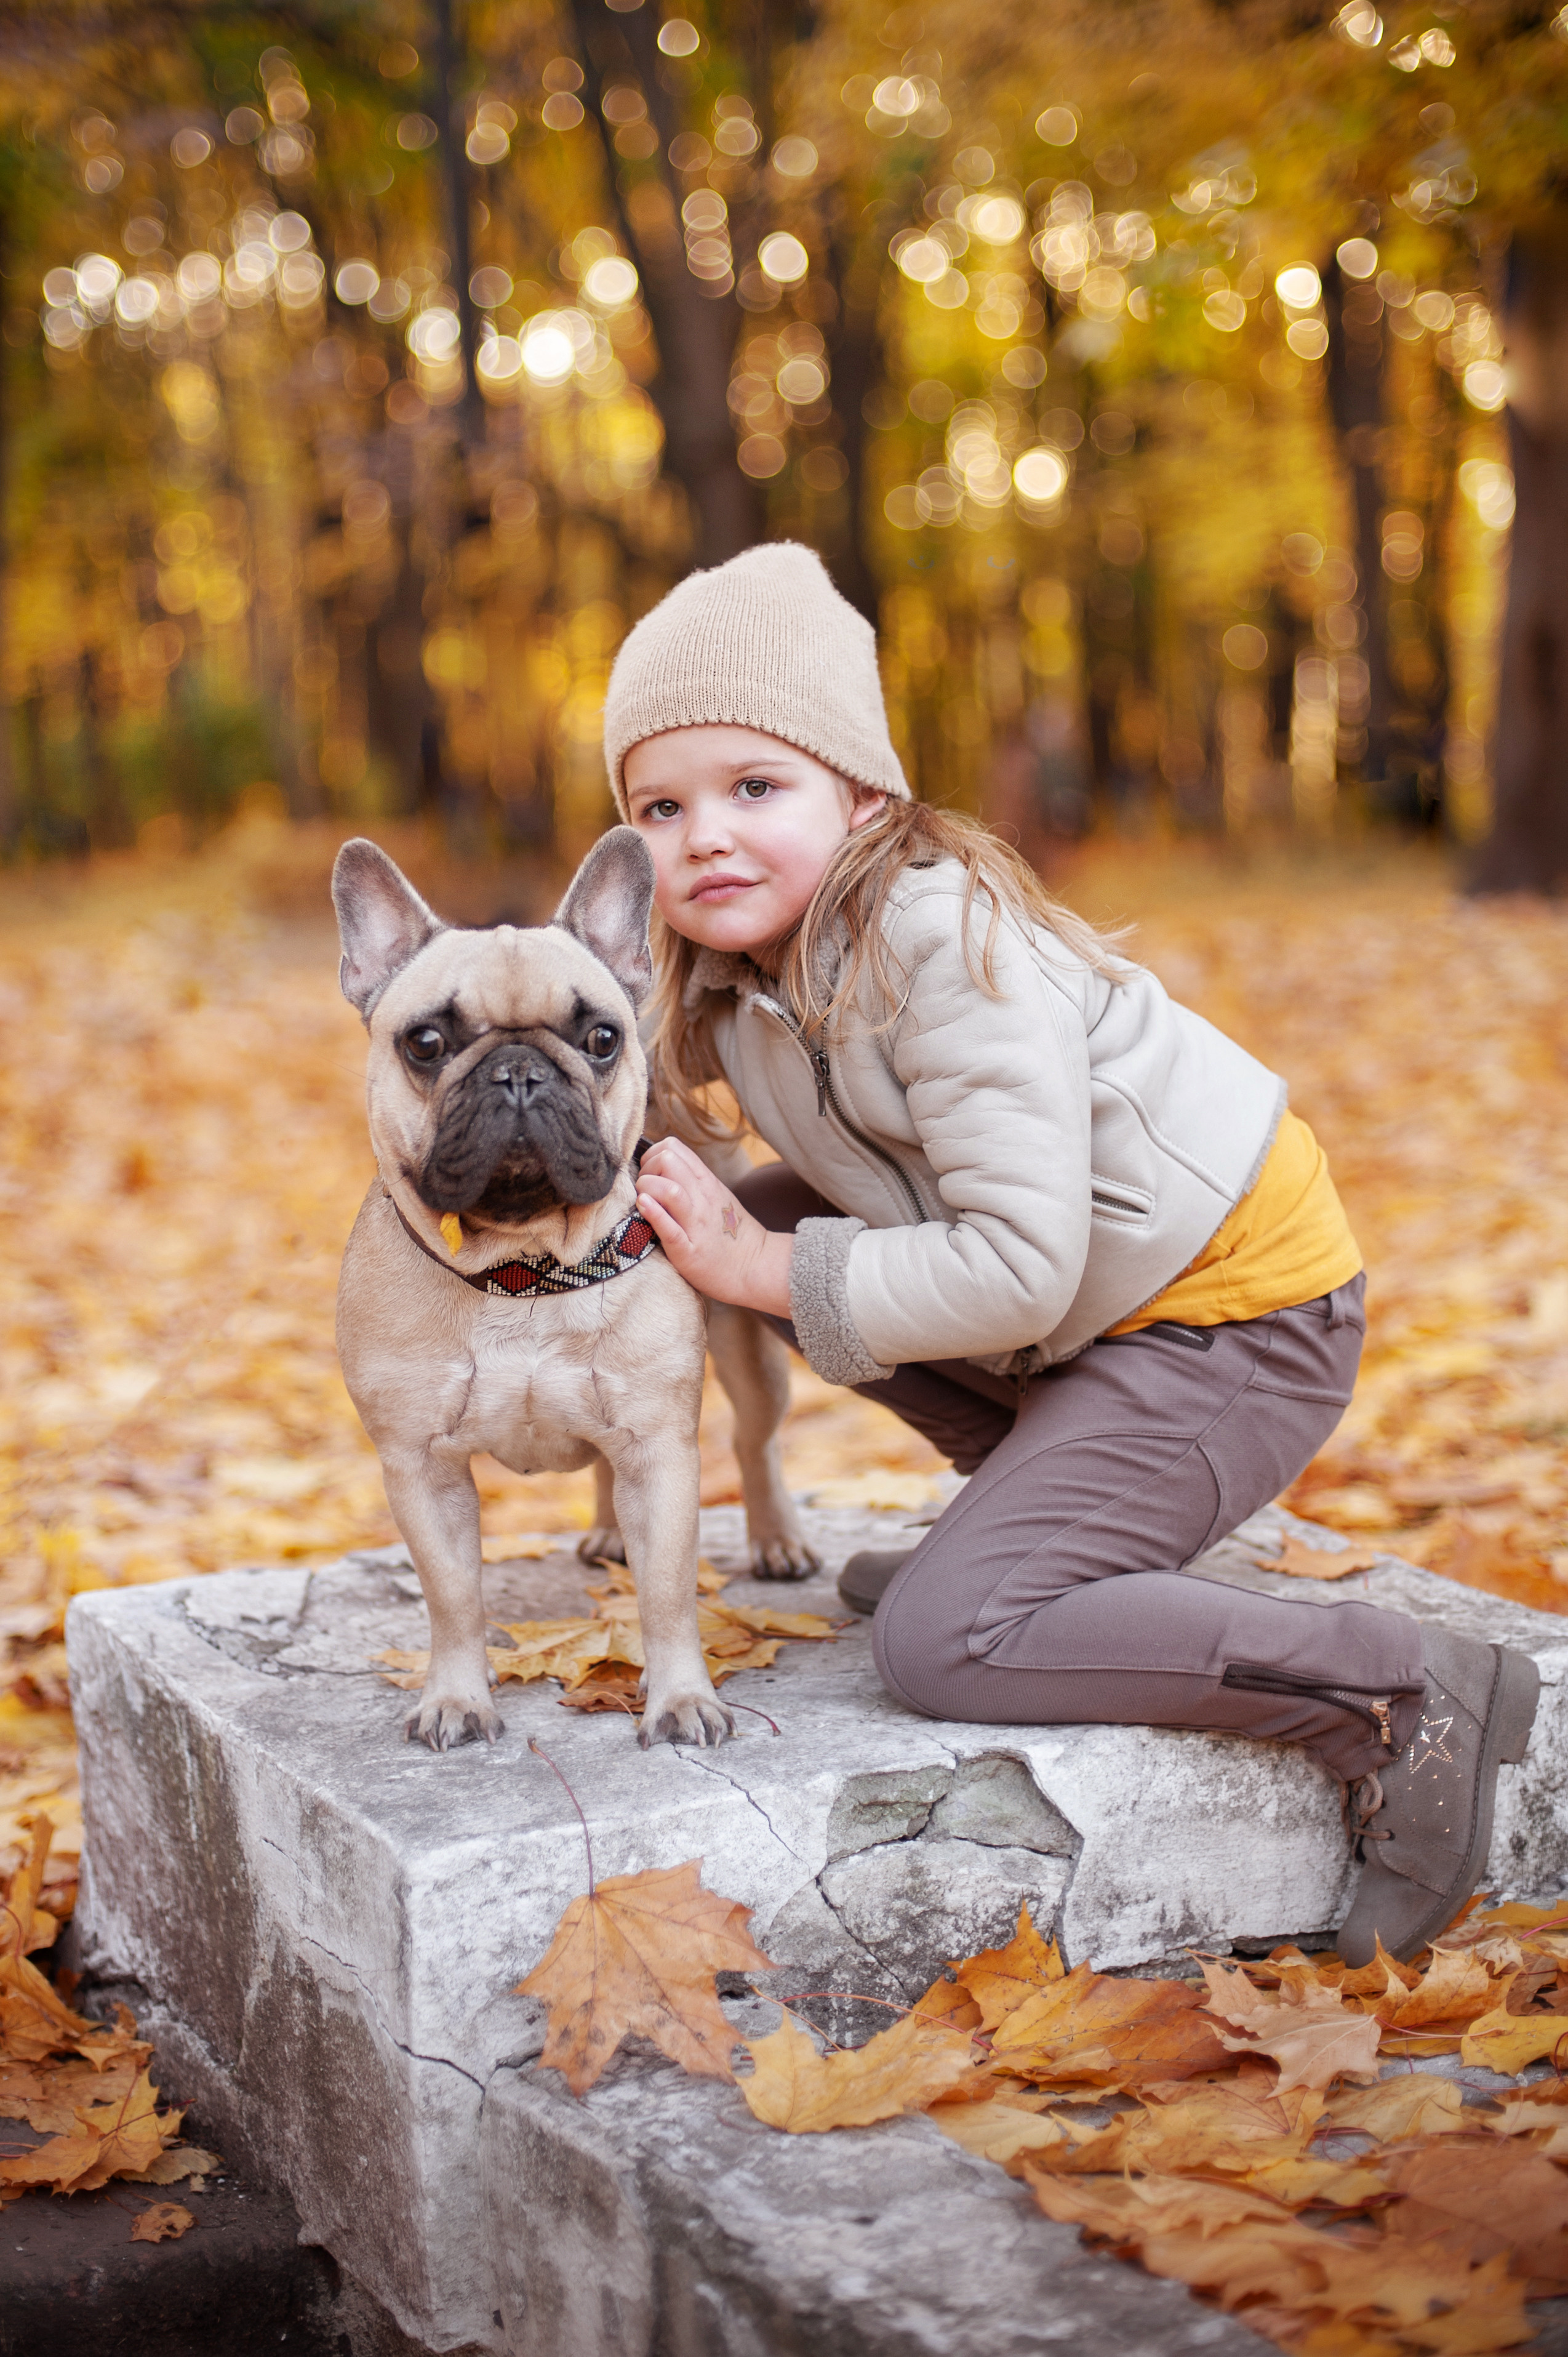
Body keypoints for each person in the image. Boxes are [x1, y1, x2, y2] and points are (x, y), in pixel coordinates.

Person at [609, 542, 1537, 1966]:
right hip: (1106, 1322)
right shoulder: (737, 980)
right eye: (658, 807)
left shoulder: (933, 932)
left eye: (754, 787)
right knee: (766, 1218)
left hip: (1236, 1318)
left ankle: (1407, 1692)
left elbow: (1018, 1270)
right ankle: (1032, 1524)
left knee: (943, 1642)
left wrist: (758, 1274)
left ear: (862, 796)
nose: (703, 838)